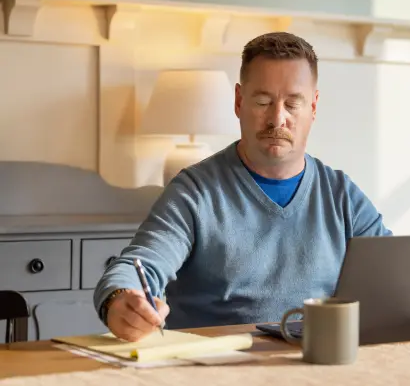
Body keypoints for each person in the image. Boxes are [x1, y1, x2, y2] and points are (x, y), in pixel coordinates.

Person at [93, 31, 392, 342]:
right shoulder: (195, 191)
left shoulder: (342, 195)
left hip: (317, 363)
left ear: (313, 107)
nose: (278, 118)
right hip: (218, 367)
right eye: (263, 101)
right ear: (238, 101)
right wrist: (121, 299)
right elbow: (140, 262)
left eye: (293, 103)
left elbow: (396, 276)